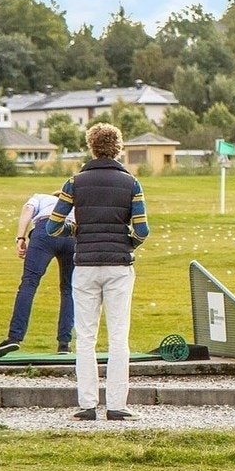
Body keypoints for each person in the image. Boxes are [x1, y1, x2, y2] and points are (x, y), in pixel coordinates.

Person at [47, 123, 150, 421]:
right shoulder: (131, 183)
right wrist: (127, 243)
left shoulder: (74, 182)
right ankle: (117, 405)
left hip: (85, 265)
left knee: (85, 337)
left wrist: (76, 230)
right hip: (119, 265)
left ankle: (87, 405)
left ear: (91, 147)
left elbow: (53, 226)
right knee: (118, 336)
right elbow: (142, 230)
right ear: (118, 148)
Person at [0, 191, 77, 357]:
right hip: (71, 234)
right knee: (68, 289)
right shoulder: (74, 204)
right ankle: (64, 344)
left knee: (29, 284)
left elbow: (28, 209)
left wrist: (20, 238)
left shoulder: (41, 198)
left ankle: (14, 337)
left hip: (45, 231)